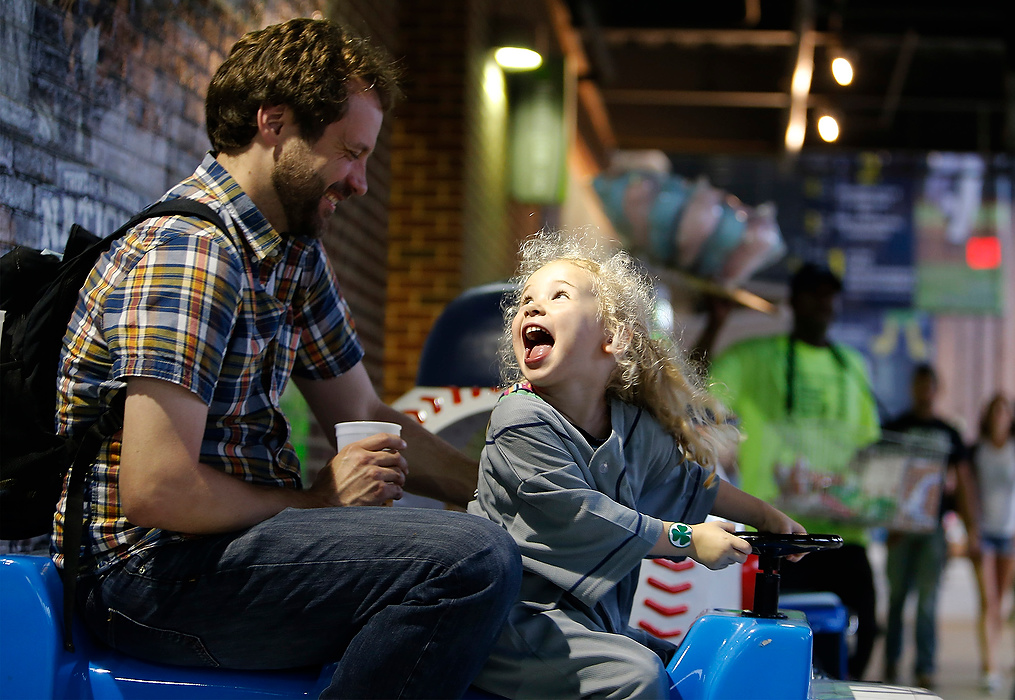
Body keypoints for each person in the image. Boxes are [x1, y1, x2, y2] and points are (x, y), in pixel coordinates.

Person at [51, 18, 521, 699]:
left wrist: (506, 491)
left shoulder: (290, 252)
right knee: (471, 563)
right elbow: (156, 490)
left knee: (477, 544)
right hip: (144, 578)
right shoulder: (192, 253)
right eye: (349, 153)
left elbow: (361, 414)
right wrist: (314, 501)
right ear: (274, 123)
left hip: (221, 553)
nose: (360, 182)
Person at [467, 230, 805, 699]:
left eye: (557, 296)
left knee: (687, 663)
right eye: (525, 300)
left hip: (583, 625)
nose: (532, 307)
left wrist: (768, 519)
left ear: (614, 337)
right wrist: (688, 539)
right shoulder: (519, 419)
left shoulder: (630, 427)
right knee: (638, 676)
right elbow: (583, 516)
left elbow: (692, 486)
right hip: (512, 626)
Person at [696, 262, 881, 680]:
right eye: (814, 294)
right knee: (783, 644)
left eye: (829, 295)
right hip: (782, 534)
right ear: (793, 302)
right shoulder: (756, 357)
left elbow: (869, 448)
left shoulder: (853, 366)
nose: (823, 303)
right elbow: (701, 390)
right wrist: (714, 322)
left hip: (845, 532)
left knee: (865, 632)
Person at [880, 364, 979, 690]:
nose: (925, 391)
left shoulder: (948, 432)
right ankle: (891, 662)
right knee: (896, 599)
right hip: (899, 528)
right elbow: (881, 478)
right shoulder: (897, 426)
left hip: (932, 530)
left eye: (930, 386)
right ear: (914, 388)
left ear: (937, 389)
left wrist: (970, 528)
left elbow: (963, 482)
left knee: (928, 601)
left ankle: (925, 667)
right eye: (920, 384)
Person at [970, 394, 1015, 695]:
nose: (1000, 416)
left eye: (1005, 410)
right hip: (983, 533)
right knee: (988, 601)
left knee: (1001, 601)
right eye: (995, 410)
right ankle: (990, 666)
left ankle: (997, 656)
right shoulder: (977, 452)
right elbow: (967, 494)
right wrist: (970, 530)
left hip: (1009, 534)